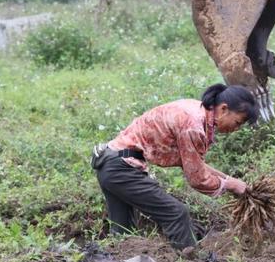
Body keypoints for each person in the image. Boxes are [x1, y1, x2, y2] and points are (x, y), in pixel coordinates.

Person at [90, 84, 257, 250]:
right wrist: (232, 185)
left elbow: (195, 164)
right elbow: (197, 179)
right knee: (176, 213)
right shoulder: (194, 125)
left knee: (123, 233)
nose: (236, 129)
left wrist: (229, 180)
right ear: (223, 109)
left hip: (110, 163)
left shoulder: (196, 110)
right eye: (237, 122)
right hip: (121, 168)